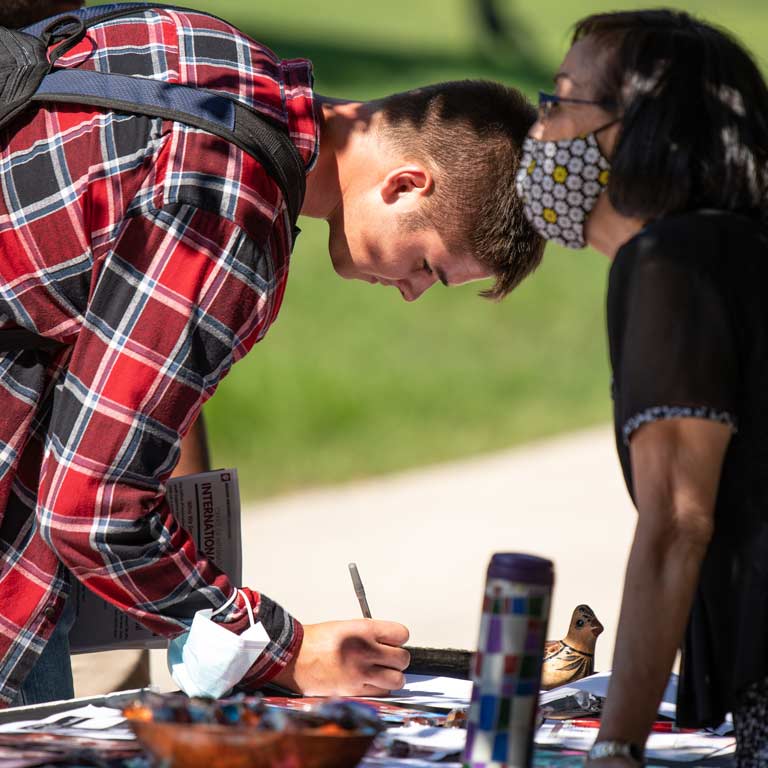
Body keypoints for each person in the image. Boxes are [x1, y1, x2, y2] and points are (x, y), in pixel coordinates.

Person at [0, 4, 543, 706]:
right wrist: (284, 648)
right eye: (430, 268)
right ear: (406, 184)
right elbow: (93, 509)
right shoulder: (232, 202)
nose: (410, 293)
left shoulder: (215, 52)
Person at [515, 9, 768, 768]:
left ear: (634, 130)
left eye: (558, 101)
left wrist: (616, 746)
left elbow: (677, 525)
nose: (539, 128)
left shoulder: (674, 262)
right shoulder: (736, 249)